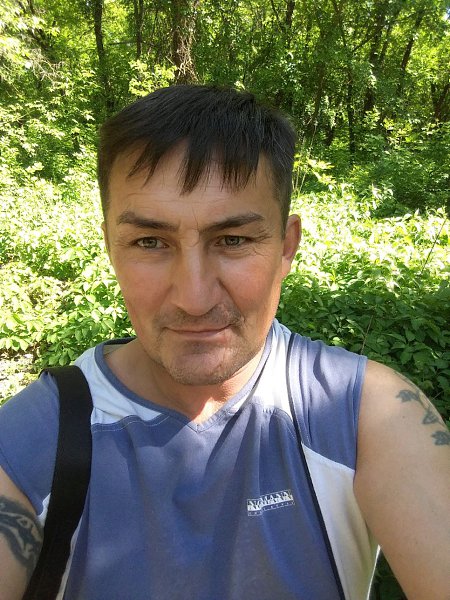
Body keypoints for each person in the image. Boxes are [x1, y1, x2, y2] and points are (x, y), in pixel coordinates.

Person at [0, 85, 449, 600]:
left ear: (286, 247)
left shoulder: (370, 417)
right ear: (110, 246)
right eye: (150, 242)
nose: (193, 298)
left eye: (233, 240)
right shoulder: (29, 443)